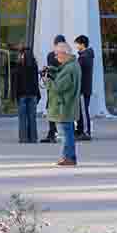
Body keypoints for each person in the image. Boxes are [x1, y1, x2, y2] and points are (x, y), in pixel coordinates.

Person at [45, 38, 82, 167]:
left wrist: (48, 80)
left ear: (64, 54)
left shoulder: (69, 68)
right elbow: (63, 79)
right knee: (68, 132)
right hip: (67, 105)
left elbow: (59, 87)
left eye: (57, 54)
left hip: (64, 106)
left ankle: (69, 157)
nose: (55, 57)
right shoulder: (71, 65)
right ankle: (69, 156)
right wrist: (53, 72)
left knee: (66, 134)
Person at [12, 46, 41, 144]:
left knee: (23, 118)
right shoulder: (34, 65)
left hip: (22, 96)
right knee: (32, 118)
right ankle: (33, 138)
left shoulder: (19, 66)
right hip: (33, 95)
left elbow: (16, 83)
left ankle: (23, 138)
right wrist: (38, 95)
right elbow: (36, 82)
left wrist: (14, 96)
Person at [74, 34, 96, 142]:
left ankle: (86, 132)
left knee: (83, 110)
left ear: (82, 44)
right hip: (82, 88)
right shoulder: (85, 56)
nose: (76, 46)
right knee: (81, 110)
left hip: (83, 88)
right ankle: (80, 130)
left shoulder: (85, 57)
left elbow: (79, 70)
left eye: (77, 44)